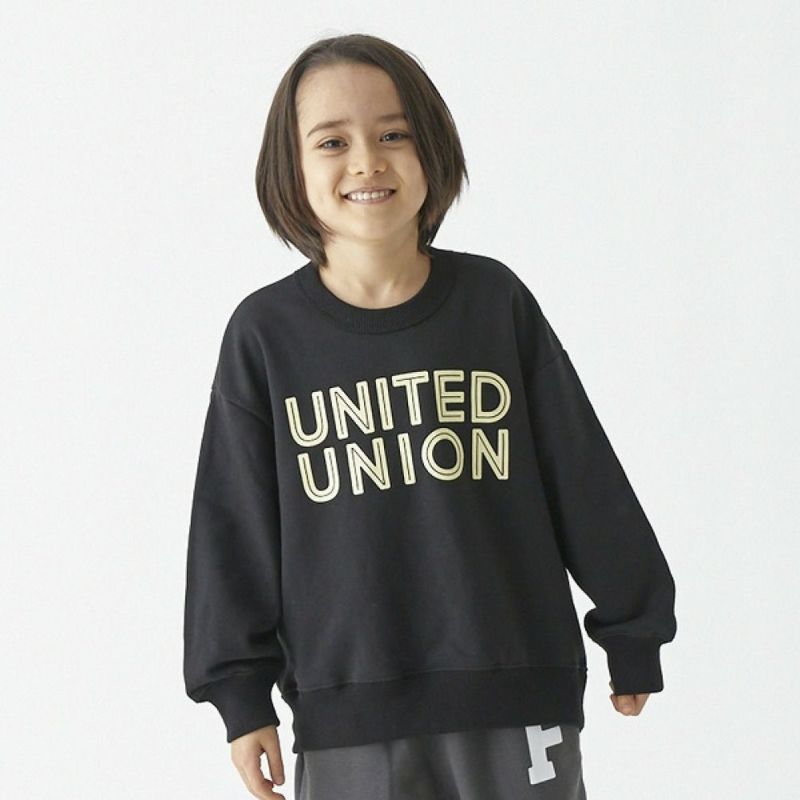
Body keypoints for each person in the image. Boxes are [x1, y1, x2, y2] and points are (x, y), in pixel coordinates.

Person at [182, 32, 677, 800]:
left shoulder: (493, 303)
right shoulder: (265, 336)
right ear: (290, 167)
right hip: (350, 712)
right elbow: (233, 527)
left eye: (393, 134)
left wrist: (632, 626)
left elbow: (581, 474)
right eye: (333, 141)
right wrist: (240, 697)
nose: (366, 162)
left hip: (517, 692)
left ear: (432, 148)